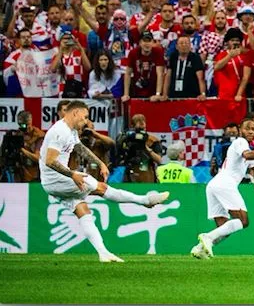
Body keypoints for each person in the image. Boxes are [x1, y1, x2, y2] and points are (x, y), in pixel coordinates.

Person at [40, 100, 170, 262]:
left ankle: (103, 253)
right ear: (75, 113)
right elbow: (50, 161)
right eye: (85, 117)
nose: (86, 121)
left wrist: (101, 163)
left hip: (53, 182)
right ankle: (144, 201)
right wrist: (72, 175)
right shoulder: (60, 131)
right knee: (101, 188)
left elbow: (80, 148)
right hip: (58, 179)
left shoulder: (70, 130)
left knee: (83, 210)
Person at [192, 116, 254, 258]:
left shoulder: (247, 148)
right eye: (247, 128)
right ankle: (207, 238)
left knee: (224, 228)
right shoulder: (240, 142)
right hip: (225, 184)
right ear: (240, 130)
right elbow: (248, 154)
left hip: (215, 185)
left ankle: (199, 248)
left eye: (253, 129)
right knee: (243, 221)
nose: (251, 132)